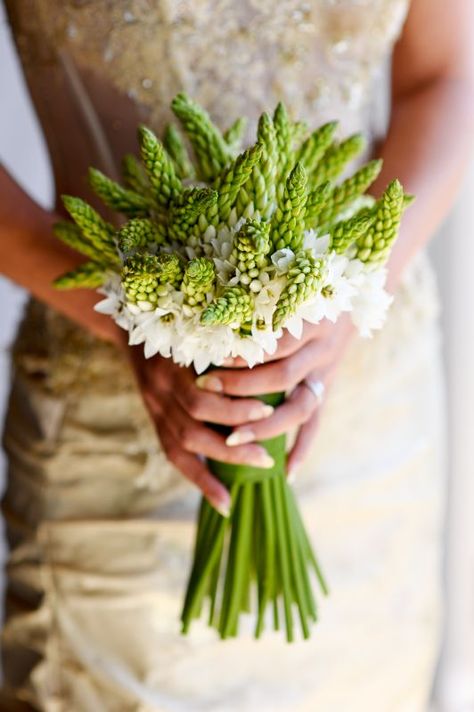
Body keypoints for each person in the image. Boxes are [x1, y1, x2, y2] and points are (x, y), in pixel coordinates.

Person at [0, 0, 473, 709]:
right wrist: (131, 317)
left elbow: (444, 75)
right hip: (112, 444)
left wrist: (352, 289)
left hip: (369, 435)